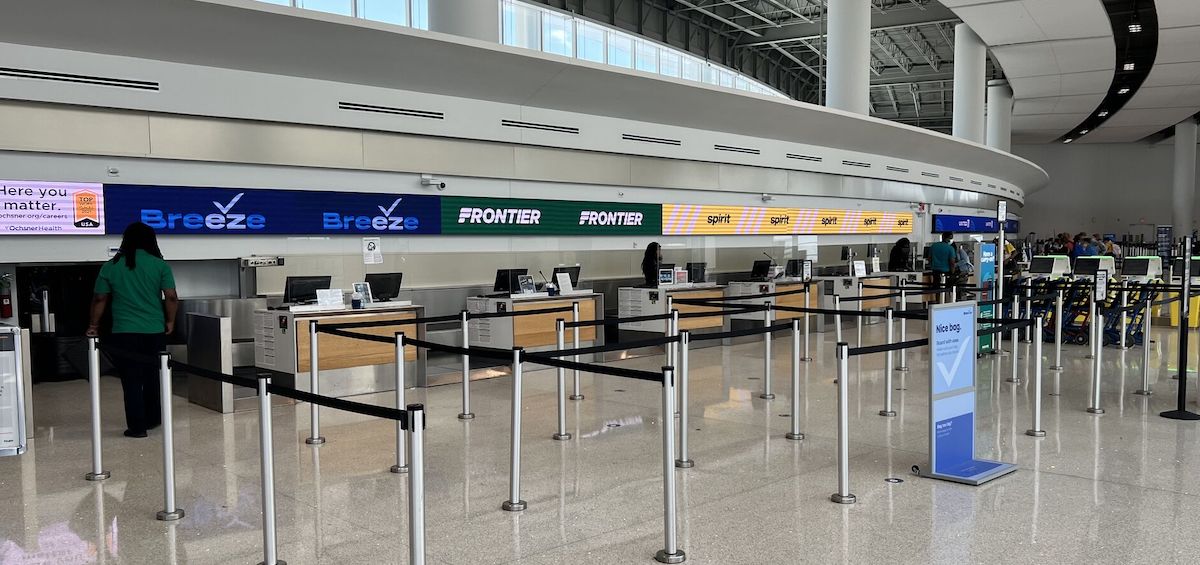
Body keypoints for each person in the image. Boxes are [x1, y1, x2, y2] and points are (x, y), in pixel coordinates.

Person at [87, 222, 178, 438]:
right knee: (153, 376)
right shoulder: (159, 265)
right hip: (154, 330)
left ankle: (137, 427)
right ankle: (153, 419)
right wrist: (170, 321)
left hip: (124, 332)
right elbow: (171, 296)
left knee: (131, 380)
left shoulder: (111, 266)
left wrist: (93, 325)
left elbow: (100, 298)